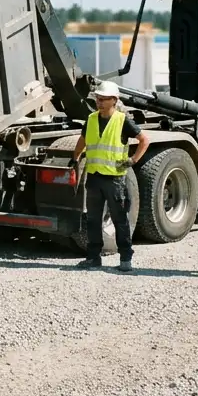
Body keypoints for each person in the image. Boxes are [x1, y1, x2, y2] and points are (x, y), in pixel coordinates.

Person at [71, 81, 149, 272]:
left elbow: (144, 140)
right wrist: (75, 158)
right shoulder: (90, 119)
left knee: (119, 219)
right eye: (98, 98)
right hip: (95, 177)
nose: (99, 102)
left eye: (104, 99)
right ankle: (93, 258)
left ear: (114, 100)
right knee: (93, 220)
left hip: (114, 179)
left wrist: (133, 160)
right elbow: (83, 140)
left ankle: (125, 259)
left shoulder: (122, 120)